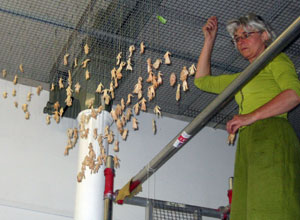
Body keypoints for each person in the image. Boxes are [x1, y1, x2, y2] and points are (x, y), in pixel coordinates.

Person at [194, 13, 300, 220]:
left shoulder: (276, 58)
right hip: (249, 141)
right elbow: (202, 81)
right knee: (244, 210)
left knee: (271, 205)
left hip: (271, 134)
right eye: (237, 39)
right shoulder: (242, 78)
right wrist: (209, 40)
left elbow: (294, 95)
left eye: (246, 35)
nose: (241, 41)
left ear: (265, 36)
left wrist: (249, 117)